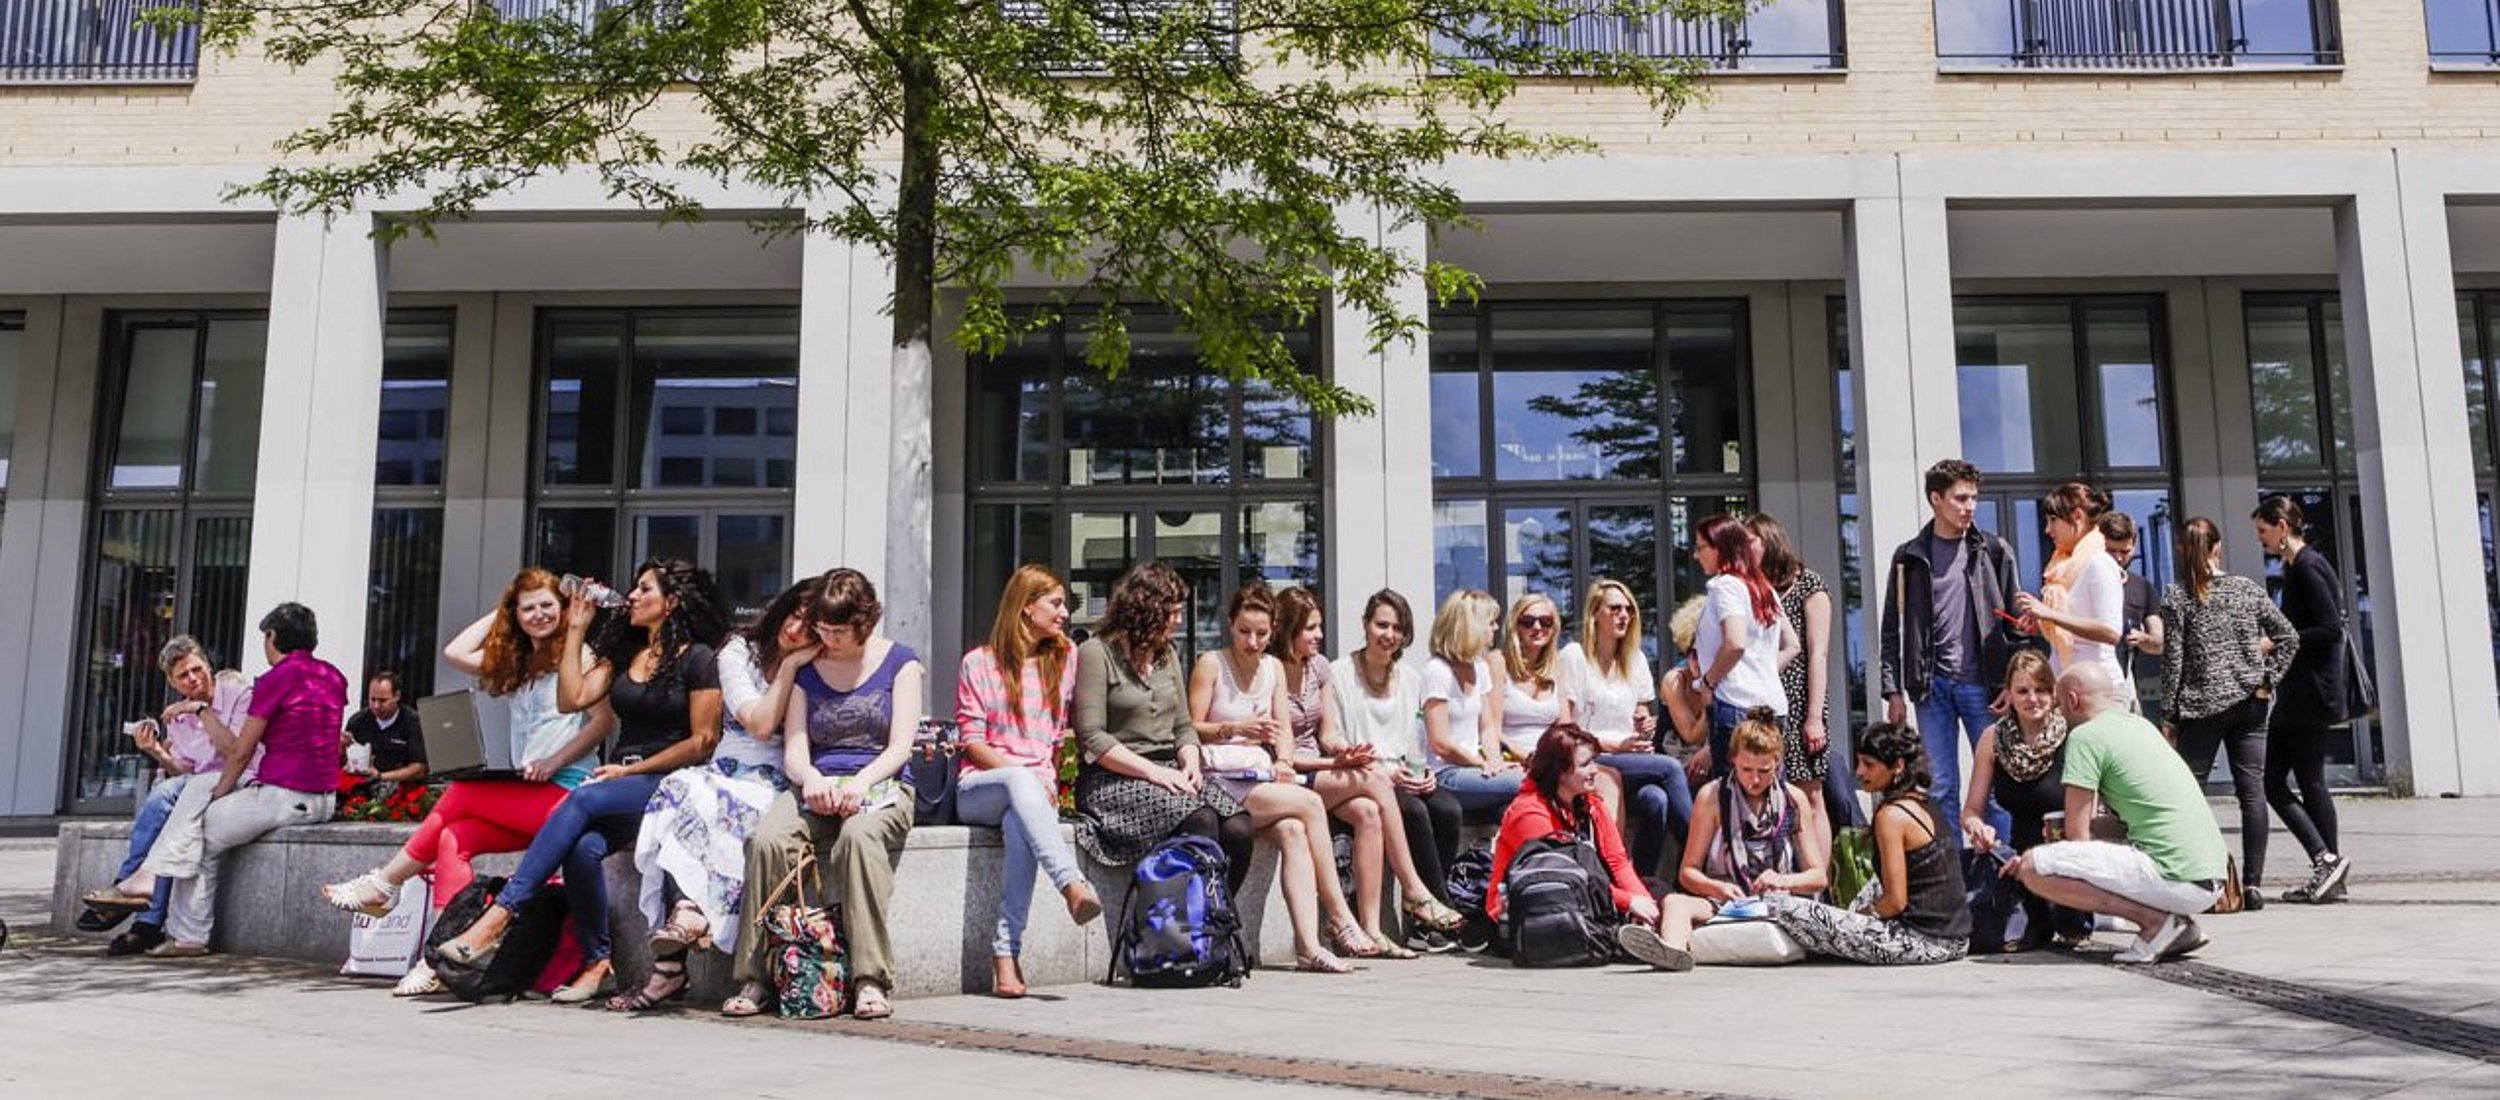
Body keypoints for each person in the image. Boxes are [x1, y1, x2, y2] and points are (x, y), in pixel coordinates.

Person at [438, 559, 730, 1004]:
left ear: (671, 603)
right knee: (581, 848)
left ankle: (498, 917)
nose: (631, 596)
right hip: (625, 788)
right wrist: (576, 629)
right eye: (633, 588)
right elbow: (571, 698)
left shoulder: (698, 659)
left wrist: (631, 770)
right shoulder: (627, 655)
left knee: (581, 801)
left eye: (644, 589)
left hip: (674, 783)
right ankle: (599, 962)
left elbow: (703, 741)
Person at [317, 568, 612, 996]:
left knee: (462, 792)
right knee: (454, 836)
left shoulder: (580, 654)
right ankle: (436, 959)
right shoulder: (518, 665)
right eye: (528, 608)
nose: (539, 614)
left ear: (565, 608)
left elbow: (602, 722)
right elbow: (455, 651)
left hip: (568, 792)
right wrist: (505, 612)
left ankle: (386, 883)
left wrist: (554, 760)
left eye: (547, 604)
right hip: (527, 792)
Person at [621, 575, 826, 1012]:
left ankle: (671, 965)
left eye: (811, 627)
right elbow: (757, 722)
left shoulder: (817, 666)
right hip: (725, 770)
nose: (796, 630)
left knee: (712, 806)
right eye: (795, 615)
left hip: (775, 781)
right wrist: (789, 667)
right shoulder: (739, 652)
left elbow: (777, 734)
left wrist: (793, 667)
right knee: (680, 789)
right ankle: (685, 921)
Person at [731, 568, 921, 1019]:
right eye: (823, 629)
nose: (829, 639)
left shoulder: (901, 662)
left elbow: (900, 747)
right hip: (817, 783)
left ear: (866, 622)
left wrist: (860, 784)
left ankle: (870, 978)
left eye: (839, 630)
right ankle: (755, 976)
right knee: (767, 840)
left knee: (857, 838)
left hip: (881, 783)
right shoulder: (808, 671)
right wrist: (811, 779)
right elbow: (795, 747)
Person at [1066, 562, 1263, 953]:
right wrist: (1153, 773)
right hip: (1114, 777)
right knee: (1200, 818)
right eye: (1171, 611)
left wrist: (1190, 761)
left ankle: (1212, 922)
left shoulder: (1166, 654)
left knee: (1239, 826)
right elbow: (1092, 736)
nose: (1178, 620)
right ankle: (1183, 940)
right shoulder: (1095, 652)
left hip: (1169, 770)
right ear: (1145, 607)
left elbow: (1184, 726)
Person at [1188, 582, 1374, 968]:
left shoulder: (1272, 667)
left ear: (1273, 629)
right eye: (1243, 632)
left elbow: (1284, 729)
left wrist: (1285, 762)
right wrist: (1234, 728)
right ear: (1230, 626)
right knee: (1309, 803)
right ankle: (1340, 918)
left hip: (1255, 777)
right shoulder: (1211, 663)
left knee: (1293, 831)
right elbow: (1189, 727)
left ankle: (1308, 947)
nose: (1252, 642)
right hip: (1217, 781)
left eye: (1260, 633)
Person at [1270, 585, 1459, 958]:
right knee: (1383, 787)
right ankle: (1415, 891)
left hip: (1339, 769)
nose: (1319, 636)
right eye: (1310, 628)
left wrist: (1348, 753)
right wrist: (1340, 760)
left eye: (1397, 627)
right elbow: (1288, 751)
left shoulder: (1319, 667)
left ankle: (1370, 929)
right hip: (1298, 774)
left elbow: (1328, 734)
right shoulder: (1280, 669)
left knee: (1377, 811)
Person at [148, 603, 346, 957]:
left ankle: (188, 936)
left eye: (265, 638)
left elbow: (241, 751)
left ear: (273, 637)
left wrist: (219, 794)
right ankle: (165, 907)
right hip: (325, 798)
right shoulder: (332, 676)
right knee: (197, 823)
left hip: (283, 796)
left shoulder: (275, 679)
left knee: (198, 831)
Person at [2011, 665, 2230, 964]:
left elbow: (2077, 836)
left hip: (2174, 874)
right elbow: (2135, 820)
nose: (2058, 713)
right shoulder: (2140, 726)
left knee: (2032, 867)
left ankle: (2157, 924)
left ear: (2073, 700)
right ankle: (2177, 924)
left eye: (2059, 705)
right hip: (2212, 879)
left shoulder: (2086, 737)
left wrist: (2051, 847)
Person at [955, 565, 1105, 999]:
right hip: (981, 787)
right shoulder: (978, 664)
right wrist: (1023, 773)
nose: (1064, 613)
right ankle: (1071, 884)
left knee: (1022, 825)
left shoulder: (1065, 659)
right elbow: (971, 742)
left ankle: (1006, 954)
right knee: (1021, 784)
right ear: (1026, 608)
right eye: (1056, 603)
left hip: (1032, 796)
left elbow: (1069, 730)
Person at [1879, 458, 2031, 845]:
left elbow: (2017, 624)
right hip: (1932, 688)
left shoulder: (1993, 551)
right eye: (1960, 498)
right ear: (1936, 499)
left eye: (1974, 498)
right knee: (1941, 785)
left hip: (1986, 685)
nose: (1969, 507)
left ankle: (2002, 873)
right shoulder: (1909, 558)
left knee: (1996, 783)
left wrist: (2013, 682)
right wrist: (1892, 689)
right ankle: (1952, 877)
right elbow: (1892, 630)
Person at [76, 637, 255, 956]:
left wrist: (200, 710)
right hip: (197, 790)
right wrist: (156, 751)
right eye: (184, 676)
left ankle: (130, 894)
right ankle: (144, 919)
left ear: (208, 666)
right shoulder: (178, 717)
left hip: (239, 782)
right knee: (164, 800)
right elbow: (181, 770)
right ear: (172, 682)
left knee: (164, 797)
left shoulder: (238, 694)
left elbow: (236, 751)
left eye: (197, 670)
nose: (194, 679)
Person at [2158, 517, 2297, 908]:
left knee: (2190, 794)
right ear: (2217, 548)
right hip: (2250, 704)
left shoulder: (2178, 596)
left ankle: (2204, 877)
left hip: (2200, 708)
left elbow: (2174, 662)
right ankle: (2252, 885)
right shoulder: (2245, 589)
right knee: (2251, 794)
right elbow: (2289, 636)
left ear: (2182, 551)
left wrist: (2169, 715)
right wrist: (2269, 680)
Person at [1620, 709, 1826, 971]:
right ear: (1732, 761)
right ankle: (1671, 953)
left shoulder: (1794, 799)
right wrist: (1718, 889)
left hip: (1778, 901)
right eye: (1746, 769)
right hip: (1727, 900)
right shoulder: (1712, 796)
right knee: (1675, 902)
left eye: (1764, 771)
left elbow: (1818, 876)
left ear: (1778, 763)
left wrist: (1782, 880)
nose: (1754, 779)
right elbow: (1688, 873)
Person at [1761, 721, 1971, 965]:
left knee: (1779, 904)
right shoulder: (1924, 802)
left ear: (1898, 767)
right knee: (1864, 893)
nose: (1859, 772)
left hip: (1922, 941)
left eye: (1869, 765)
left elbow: (1895, 901)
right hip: (1957, 940)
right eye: (1859, 762)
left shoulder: (1891, 816)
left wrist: (1857, 919)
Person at [1331, 589, 1470, 953]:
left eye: (1397, 627)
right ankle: (1433, 911)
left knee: (1448, 809)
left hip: (1404, 772)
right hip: (1364, 775)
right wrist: (1382, 769)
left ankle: (1426, 922)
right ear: (1365, 625)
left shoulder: (1410, 677)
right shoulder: (1339, 673)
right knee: (1414, 812)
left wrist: (1421, 772)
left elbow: (1417, 737)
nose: (1388, 634)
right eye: (1381, 625)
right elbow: (1339, 740)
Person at [2252, 496, 2356, 903]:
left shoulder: (2308, 566)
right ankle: (2328, 867)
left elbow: (2331, 628)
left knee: (2284, 781)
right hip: (2305, 691)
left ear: (2281, 525)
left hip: (2310, 692)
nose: (2261, 540)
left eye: (2262, 531)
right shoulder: (2301, 565)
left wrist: (2276, 640)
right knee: (2294, 780)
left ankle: (2327, 864)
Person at [1484, 723, 1659, 960]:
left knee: (1659, 892)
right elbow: (1564, 877)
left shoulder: (1591, 804)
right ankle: (1642, 943)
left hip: (1585, 894)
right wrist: (1629, 902)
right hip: (1534, 908)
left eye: (1594, 761)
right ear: (1560, 770)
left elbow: (1617, 862)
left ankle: (1658, 942)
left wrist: (1643, 902)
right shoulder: (1529, 812)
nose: (1596, 770)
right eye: (1586, 764)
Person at [1558, 580, 1684, 876]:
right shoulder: (1574, 656)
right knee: (1671, 769)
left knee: (1657, 800)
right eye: (1615, 608)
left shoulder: (1635, 659)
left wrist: (1645, 726)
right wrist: (1616, 746)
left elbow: (1640, 713)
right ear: (1595, 615)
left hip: (1631, 759)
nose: (1624, 615)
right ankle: (1698, 854)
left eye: (1629, 610)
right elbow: (1567, 729)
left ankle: (1641, 879)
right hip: (1592, 758)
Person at [1961, 650, 2080, 949]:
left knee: (2070, 931)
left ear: (2053, 693)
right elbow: (1971, 811)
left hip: (2069, 858)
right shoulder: (1993, 738)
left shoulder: (2074, 736)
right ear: (2009, 695)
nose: (2033, 698)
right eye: (2023, 691)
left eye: (2041, 690)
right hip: (2018, 858)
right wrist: (1980, 829)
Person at [1747, 513, 1835, 836]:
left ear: (1769, 541)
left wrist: (1814, 717)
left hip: (1799, 702)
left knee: (1809, 796)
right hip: (1764, 701)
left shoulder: (1809, 585)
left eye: (1750, 541)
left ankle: (1816, 880)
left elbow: (1818, 654)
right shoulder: (1752, 589)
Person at [1692, 513, 1798, 775]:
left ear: (1720, 547)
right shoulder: (1762, 587)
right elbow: (1792, 644)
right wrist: (1762, 671)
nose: (1696, 555)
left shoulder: (1725, 586)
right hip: (1772, 705)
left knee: (1735, 797)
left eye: (1701, 547)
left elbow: (1735, 642)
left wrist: (1708, 682)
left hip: (1735, 704)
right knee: (1771, 791)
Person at [2017, 482, 2129, 707]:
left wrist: (2050, 614)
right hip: (2067, 689)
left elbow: (2111, 631)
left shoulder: (2099, 563)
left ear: (2077, 516)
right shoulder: (2066, 565)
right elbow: (2075, 627)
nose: (2047, 530)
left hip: (2099, 693)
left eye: (2052, 520)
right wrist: (2041, 624)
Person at [1421, 588, 1521, 819]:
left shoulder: (1480, 668)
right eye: (1491, 622)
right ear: (1471, 627)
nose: (1496, 628)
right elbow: (1441, 743)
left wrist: (1495, 760)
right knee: (1532, 782)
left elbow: (1487, 727)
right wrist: (1480, 764)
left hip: (1475, 769)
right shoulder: (1437, 671)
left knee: (1512, 811)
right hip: (1446, 774)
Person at [2100, 513, 2168, 723]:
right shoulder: (2084, 582)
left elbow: (2159, 643)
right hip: (2088, 684)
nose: (2118, 558)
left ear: (2135, 546)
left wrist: (2144, 639)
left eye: (2125, 551)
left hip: (2124, 684)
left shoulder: (2142, 587)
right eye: (2111, 551)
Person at [339, 670, 428, 792]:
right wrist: (341, 747)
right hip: (363, 789)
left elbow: (419, 769)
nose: (376, 706)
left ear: (397, 696)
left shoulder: (413, 722)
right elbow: (344, 763)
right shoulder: (358, 721)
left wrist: (380, 777)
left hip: (400, 790)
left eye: (382, 701)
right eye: (372, 699)